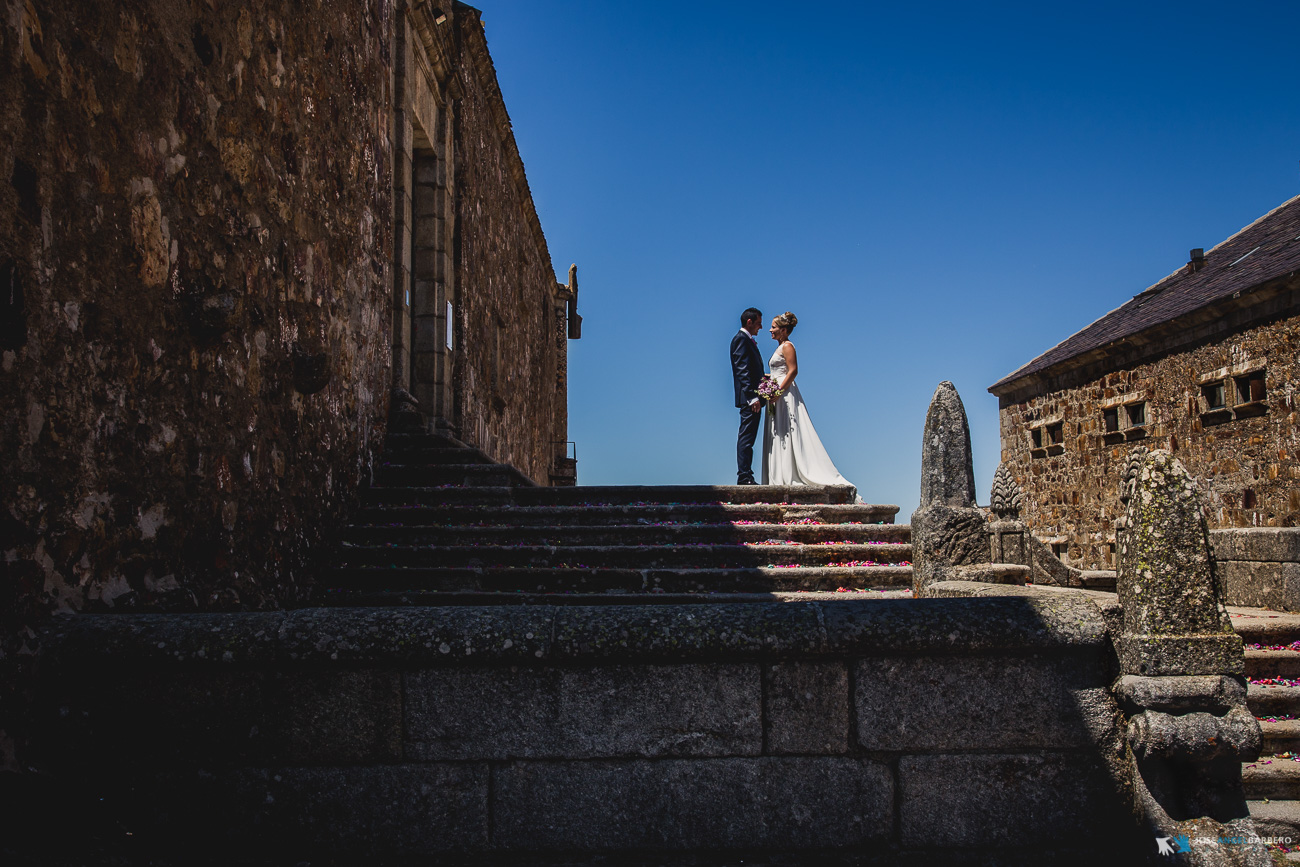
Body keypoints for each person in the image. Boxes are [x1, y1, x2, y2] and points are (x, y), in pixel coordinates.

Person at [761, 311, 859, 497]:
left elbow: (793, 371)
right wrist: (766, 380)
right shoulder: (780, 347)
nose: (770, 330)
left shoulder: (788, 346)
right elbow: (778, 371)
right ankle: (779, 474)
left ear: (783, 330)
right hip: (777, 391)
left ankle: (793, 473)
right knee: (779, 432)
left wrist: (778, 391)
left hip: (785, 393)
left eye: (773, 327)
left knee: (788, 430)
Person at [729, 307, 764, 485]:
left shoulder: (746, 340)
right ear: (749, 322)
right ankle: (744, 476)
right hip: (749, 400)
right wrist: (753, 397)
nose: (761, 327)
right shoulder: (741, 340)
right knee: (746, 437)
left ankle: (746, 474)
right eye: (758, 323)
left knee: (749, 437)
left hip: (753, 398)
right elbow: (742, 370)